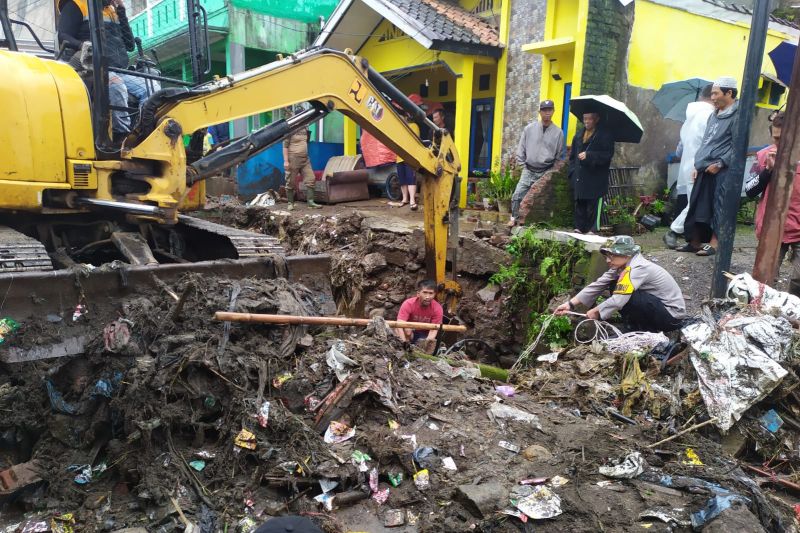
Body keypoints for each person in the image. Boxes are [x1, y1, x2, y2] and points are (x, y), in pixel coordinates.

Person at [57, 0, 151, 138]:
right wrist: (82, 46)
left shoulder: (113, 11)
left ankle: (143, 131)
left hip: (120, 69)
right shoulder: (78, 4)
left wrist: (121, 10)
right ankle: (121, 135)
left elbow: (130, 45)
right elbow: (63, 35)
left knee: (150, 87)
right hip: (93, 70)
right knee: (115, 85)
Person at [555, 236, 686, 333]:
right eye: (606, 256)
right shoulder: (621, 267)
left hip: (671, 316)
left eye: (611, 256)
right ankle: (636, 329)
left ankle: (646, 331)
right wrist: (570, 304)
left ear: (626, 254)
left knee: (628, 296)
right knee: (615, 286)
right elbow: (598, 284)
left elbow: (619, 300)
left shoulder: (637, 268)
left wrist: (596, 312)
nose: (607, 260)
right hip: (659, 310)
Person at [678, 77, 739, 256]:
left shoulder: (737, 115)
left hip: (722, 171)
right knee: (697, 205)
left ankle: (715, 243)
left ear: (729, 93)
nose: (712, 97)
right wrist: (698, 164)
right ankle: (695, 241)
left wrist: (721, 163)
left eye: (715, 93)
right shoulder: (714, 114)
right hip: (704, 167)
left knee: (718, 206)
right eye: (711, 93)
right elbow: (706, 141)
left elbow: (738, 145)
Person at [744, 112, 800, 296]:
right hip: (772, 228)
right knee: (766, 278)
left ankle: (794, 312)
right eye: (776, 138)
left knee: (798, 279)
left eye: (784, 139)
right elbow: (750, 190)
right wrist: (767, 170)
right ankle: (766, 314)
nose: (779, 144)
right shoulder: (763, 155)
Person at [663, 84, 715, 249]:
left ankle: (693, 241)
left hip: (687, 165)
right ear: (712, 96)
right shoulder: (710, 116)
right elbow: (710, 143)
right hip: (700, 166)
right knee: (695, 204)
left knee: (691, 202)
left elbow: (680, 148)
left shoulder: (690, 117)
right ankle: (673, 231)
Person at [508, 100, 566, 227]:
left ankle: (533, 223)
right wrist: (522, 164)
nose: (547, 113)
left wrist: (551, 171)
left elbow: (559, 154)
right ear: (540, 112)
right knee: (517, 194)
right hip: (528, 169)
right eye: (544, 110)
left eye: (549, 110)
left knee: (541, 199)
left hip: (545, 170)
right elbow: (521, 148)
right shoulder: (529, 129)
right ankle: (514, 217)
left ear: (553, 112)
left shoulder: (558, 133)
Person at [568, 112, 615, 234]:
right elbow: (572, 157)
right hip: (580, 175)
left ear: (597, 119)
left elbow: (607, 155)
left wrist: (589, 155)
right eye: (585, 119)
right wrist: (572, 173)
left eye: (590, 119)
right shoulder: (578, 135)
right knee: (580, 202)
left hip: (596, 177)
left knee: (593, 203)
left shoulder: (605, 136)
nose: (587, 121)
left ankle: (592, 229)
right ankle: (579, 227)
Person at [283, 109, 320, 210]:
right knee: (290, 182)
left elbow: (306, 141)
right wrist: (286, 161)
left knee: (311, 179)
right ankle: (290, 203)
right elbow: (285, 146)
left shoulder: (305, 127)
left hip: (305, 159)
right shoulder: (290, 128)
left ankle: (311, 202)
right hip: (293, 159)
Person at [394, 279, 443, 348]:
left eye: (431, 293)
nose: (427, 297)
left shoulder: (437, 308)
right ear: (418, 293)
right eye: (425, 292)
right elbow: (399, 324)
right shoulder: (408, 304)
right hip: (410, 332)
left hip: (424, 335)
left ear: (434, 294)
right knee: (405, 330)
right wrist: (403, 342)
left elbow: (433, 330)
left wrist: (425, 345)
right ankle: (406, 347)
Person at [389, 113, 421, 210]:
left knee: (411, 178)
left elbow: (413, 139)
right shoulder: (399, 129)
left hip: (410, 157)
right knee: (402, 180)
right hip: (399, 157)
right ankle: (405, 199)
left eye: (401, 118)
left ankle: (412, 200)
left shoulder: (413, 126)